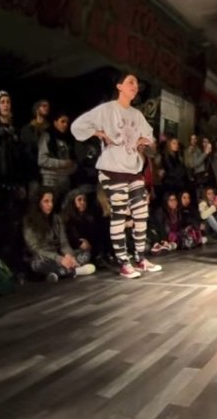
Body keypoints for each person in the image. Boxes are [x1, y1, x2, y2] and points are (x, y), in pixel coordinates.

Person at [71, 73, 161, 279]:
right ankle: (123, 262)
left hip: (133, 169)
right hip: (112, 168)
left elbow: (151, 140)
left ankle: (140, 258)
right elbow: (77, 126)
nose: (135, 86)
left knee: (141, 213)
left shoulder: (137, 115)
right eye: (130, 82)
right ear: (119, 86)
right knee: (119, 214)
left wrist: (145, 142)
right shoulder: (106, 109)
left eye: (137, 83)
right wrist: (99, 134)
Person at [23, 188, 95, 282]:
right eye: (46, 201)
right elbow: (36, 249)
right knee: (38, 263)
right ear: (38, 203)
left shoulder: (56, 218)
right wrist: (60, 259)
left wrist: (70, 256)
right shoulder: (29, 221)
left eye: (52, 201)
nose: (50, 205)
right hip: (45, 257)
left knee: (85, 254)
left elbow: (64, 243)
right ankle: (73, 271)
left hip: (59, 255)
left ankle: (58, 273)